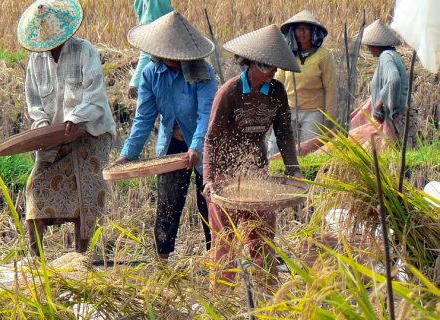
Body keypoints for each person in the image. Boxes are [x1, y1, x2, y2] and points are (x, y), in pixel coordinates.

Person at [203, 25, 303, 290]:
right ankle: (222, 302)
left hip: (258, 175)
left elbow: (284, 135)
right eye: (269, 68)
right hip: (226, 179)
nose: (274, 73)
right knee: (225, 246)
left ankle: (268, 300)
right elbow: (211, 139)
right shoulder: (230, 92)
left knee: (263, 243)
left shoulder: (277, 92)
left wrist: (294, 170)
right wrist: (210, 180)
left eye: (276, 68)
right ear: (254, 64)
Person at [113, 11, 218, 261]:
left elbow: (207, 113)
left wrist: (196, 147)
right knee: (168, 205)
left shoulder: (202, 73)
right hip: (172, 142)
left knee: (208, 203)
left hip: (205, 144)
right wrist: (128, 154)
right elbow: (144, 117)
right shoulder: (151, 73)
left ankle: (215, 260)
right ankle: (162, 262)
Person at [18, 0, 116, 256]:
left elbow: (94, 96)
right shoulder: (36, 60)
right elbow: (35, 102)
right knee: (35, 189)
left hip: (90, 132)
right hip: (53, 138)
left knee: (85, 196)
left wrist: (75, 119)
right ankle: (36, 262)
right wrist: (41, 128)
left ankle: (82, 260)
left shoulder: (85, 51)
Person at [268, 10, 337, 156]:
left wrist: (329, 118)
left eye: (305, 28)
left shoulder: (324, 56)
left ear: (313, 32)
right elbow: (278, 80)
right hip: (288, 109)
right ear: (293, 32)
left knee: (309, 151)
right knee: (274, 148)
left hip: (313, 112)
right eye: (298, 29)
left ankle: (305, 177)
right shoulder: (288, 54)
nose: (302, 32)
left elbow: (330, 88)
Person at [358, 19, 417, 147]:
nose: (368, 49)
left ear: (374, 45)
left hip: (400, 116)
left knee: (399, 153)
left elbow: (393, 79)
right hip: (401, 113)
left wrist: (379, 104)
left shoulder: (386, 56)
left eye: (368, 46)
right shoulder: (391, 55)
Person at [127, 0, 173, 99]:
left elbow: (152, 47)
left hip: (167, 66)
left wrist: (135, 81)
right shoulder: (140, 2)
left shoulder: (154, 2)